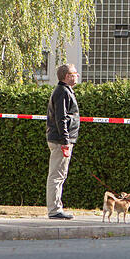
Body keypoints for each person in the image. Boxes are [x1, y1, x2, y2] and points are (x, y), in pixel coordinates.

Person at [45, 63, 81, 219]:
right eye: (74, 73)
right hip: (61, 140)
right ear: (67, 76)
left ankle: (56, 207)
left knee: (60, 175)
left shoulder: (64, 91)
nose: (77, 76)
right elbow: (61, 118)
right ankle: (54, 210)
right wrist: (66, 140)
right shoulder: (63, 92)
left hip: (61, 139)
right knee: (57, 175)